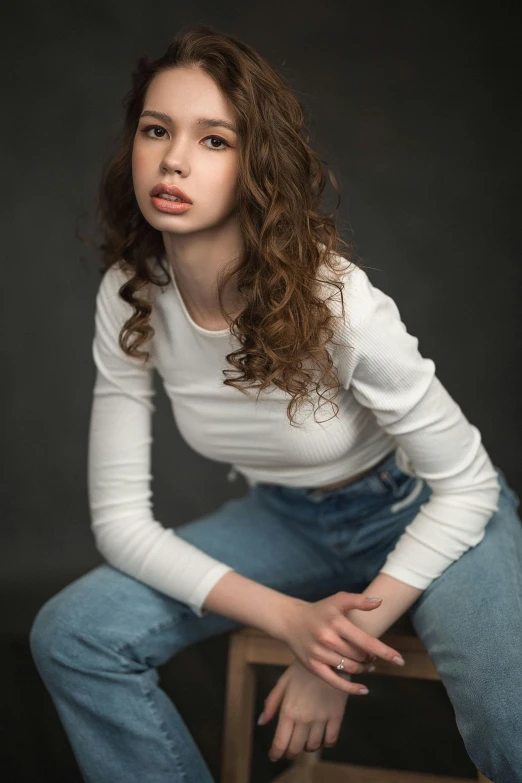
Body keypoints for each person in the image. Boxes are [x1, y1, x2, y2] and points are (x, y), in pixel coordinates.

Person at [29, 23, 521, 783]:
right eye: (156, 129)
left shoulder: (336, 300)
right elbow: (121, 525)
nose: (174, 159)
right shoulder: (130, 295)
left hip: (427, 509)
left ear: (256, 164)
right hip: (288, 519)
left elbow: (469, 483)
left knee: (509, 723)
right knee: (73, 633)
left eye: (215, 140)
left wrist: (333, 651)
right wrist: (292, 620)